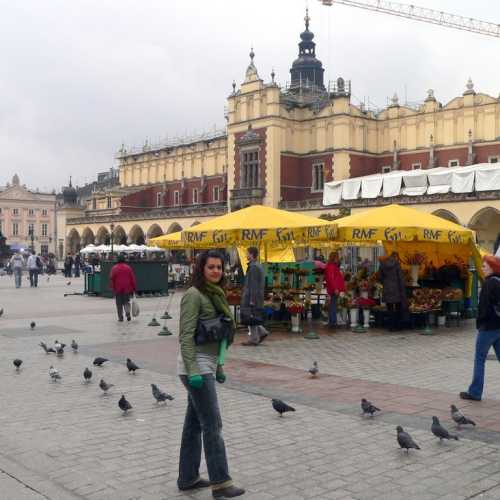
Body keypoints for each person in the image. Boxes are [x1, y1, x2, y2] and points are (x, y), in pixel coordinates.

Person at [177, 250, 244, 498]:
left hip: (207, 364)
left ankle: (188, 477)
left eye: (219, 267)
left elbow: (214, 337)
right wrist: (194, 370)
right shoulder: (194, 295)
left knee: (194, 425)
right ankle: (221, 483)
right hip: (194, 367)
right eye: (211, 267)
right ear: (201, 269)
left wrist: (219, 367)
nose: (216, 271)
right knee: (212, 424)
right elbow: (185, 336)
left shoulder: (215, 294)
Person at [460, 255, 500, 401]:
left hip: (488, 328)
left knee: (479, 359)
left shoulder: (489, 283)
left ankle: (475, 392)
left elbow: (483, 308)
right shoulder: (498, 281)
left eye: (484, 266)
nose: (482, 268)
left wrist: (480, 323)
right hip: (498, 327)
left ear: (492, 267)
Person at [240, 246, 269, 346]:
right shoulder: (258, 265)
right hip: (256, 296)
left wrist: (252, 299)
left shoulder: (253, 267)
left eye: (247, 253)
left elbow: (253, 285)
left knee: (250, 316)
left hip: (252, 296)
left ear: (252, 254)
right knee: (253, 316)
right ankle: (261, 332)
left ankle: (254, 339)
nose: (246, 255)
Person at [379, 252, 407, 331]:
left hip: (387, 288)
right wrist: (402, 289)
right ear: (396, 257)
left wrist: (385, 283)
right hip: (397, 289)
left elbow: (380, 277)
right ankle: (398, 326)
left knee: (389, 308)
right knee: (398, 308)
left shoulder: (382, 264)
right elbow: (400, 278)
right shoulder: (397, 264)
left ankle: (390, 327)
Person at [109, 254, 137, 322]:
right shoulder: (128, 268)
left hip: (118, 288)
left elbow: (111, 278)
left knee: (119, 304)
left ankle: (120, 317)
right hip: (127, 288)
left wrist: (112, 287)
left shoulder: (114, 268)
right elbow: (132, 279)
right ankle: (128, 314)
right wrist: (134, 288)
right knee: (126, 302)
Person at [324, 251, 345, 328]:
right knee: (333, 305)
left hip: (333, 288)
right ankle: (333, 322)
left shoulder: (332, 266)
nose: (338, 258)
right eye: (337, 257)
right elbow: (331, 278)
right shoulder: (331, 266)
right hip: (334, 289)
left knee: (333, 305)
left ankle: (333, 321)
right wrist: (335, 288)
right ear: (334, 258)